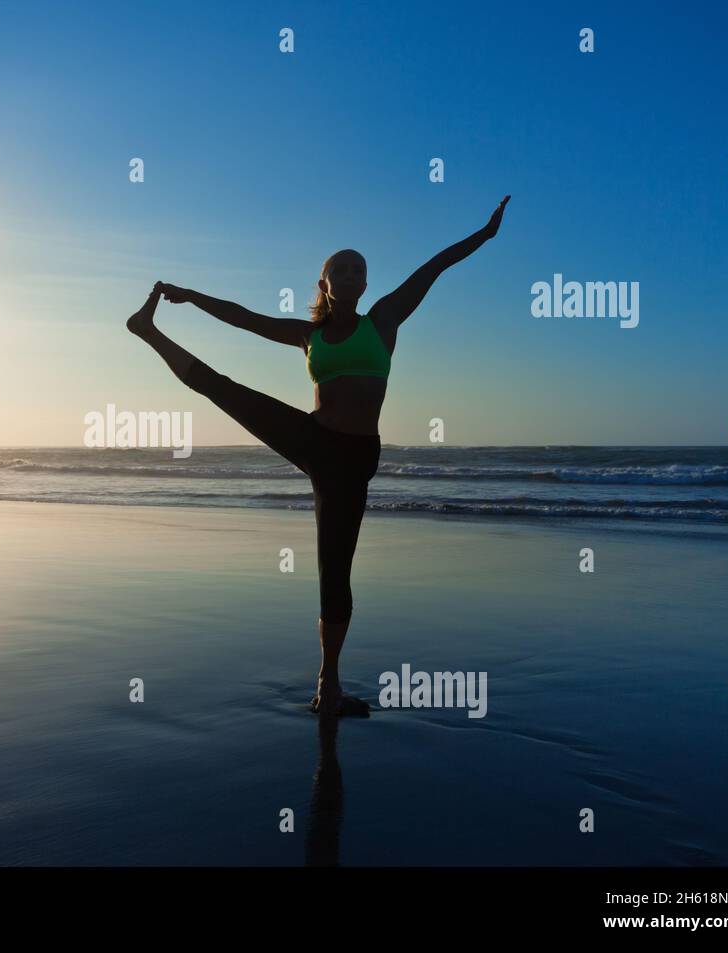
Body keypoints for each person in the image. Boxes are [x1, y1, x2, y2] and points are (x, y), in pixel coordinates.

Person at [126, 197, 510, 716]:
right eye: (340, 269)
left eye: (359, 269)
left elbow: (434, 267)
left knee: (336, 568)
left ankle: (328, 680)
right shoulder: (308, 335)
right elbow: (244, 319)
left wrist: (484, 235)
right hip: (313, 440)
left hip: (353, 460)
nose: (351, 275)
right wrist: (191, 297)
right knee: (225, 390)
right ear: (325, 283)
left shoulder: (385, 319)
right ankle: (148, 331)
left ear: (367, 283)